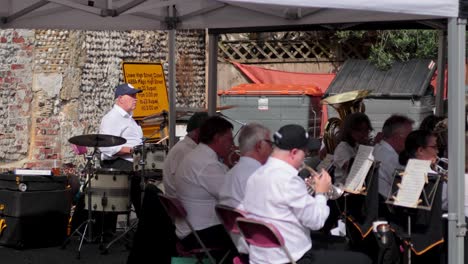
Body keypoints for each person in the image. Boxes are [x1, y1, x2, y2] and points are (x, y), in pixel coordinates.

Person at [243, 124, 371, 264]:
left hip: (261, 257)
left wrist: (304, 191)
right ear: (293, 152)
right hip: (291, 258)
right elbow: (317, 222)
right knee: (363, 259)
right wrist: (321, 193)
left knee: (341, 245)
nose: (307, 155)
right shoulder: (289, 180)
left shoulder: (256, 175)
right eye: (305, 151)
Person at [174, 115, 237, 259]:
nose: (232, 145)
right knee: (250, 235)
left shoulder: (195, 156)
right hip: (201, 232)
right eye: (230, 140)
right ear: (217, 138)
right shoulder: (207, 164)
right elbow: (232, 197)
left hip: (189, 230)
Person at [98, 83, 143, 238]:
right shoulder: (112, 118)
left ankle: (145, 227)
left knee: (144, 189)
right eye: (132, 96)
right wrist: (134, 150)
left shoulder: (130, 119)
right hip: (119, 164)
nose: (136, 99)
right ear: (120, 98)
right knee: (141, 190)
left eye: (136, 95)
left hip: (132, 163)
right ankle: (146, 228)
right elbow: (107, 148)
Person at [218, 123, 272, 209]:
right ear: (259, 145)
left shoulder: (230, 174)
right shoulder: (258, 176)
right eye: (269, 143)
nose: (272, 147)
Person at [162, 112, 209, 197]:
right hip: (182, 204)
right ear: (199, 132)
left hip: (180, 202)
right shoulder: (186, 151)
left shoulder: (184, 147)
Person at [373, 114, 414, 199]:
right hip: (387, 206)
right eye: (409, 137)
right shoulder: (391, 157)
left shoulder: (378, 148)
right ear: (396, 137)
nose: (411, 141)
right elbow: (407, 187)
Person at [333, 112, 373, 185]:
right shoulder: (342, 148)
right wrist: (367, 149)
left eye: (366, 130)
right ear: (350, 131)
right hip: (344, 189)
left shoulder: (357, 146)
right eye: (360, 130)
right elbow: (353, 169)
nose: (364, 134)